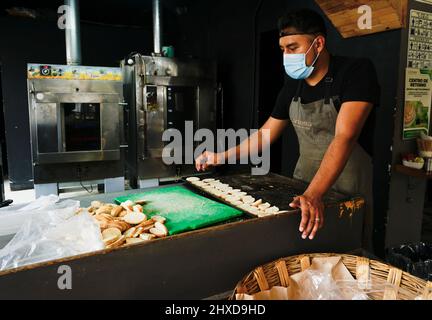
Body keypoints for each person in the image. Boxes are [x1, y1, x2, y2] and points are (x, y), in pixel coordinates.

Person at [195, 8, 380, 251]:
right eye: (283, 50)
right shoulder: (293, 86)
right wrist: (220, 157)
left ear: (319, 43)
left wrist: (314, 194)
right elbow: (266, 133)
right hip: (302, 185)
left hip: (347, 191)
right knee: (303, 256)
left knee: (344, 255)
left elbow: (345, 136)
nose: (286, 56)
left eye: (293, 47)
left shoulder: (355, 72)